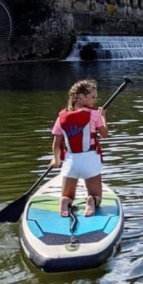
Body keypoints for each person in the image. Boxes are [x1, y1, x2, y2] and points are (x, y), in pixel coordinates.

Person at [50, 80, 109, 217]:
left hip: (71, 162)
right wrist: (103, 117)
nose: (95, 100)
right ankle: (91, 200)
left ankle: (65, 202)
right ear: (81, 97)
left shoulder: (61, 117)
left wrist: (56, 160)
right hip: (90, 161)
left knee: (67, 196)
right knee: (97, 196)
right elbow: (105, 134)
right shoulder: (94, 114)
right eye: (93, 97)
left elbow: (56, 144)